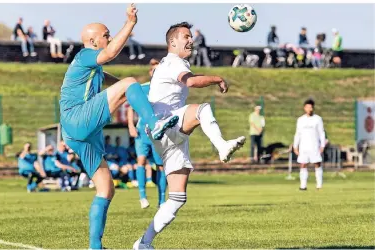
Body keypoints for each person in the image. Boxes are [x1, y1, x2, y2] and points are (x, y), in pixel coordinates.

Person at [59, 4, 178, 249]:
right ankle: (156, 126)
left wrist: (153, 88)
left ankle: (95, 247)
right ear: (92, 41)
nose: (109, 38)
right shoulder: (85, 55)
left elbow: (123, 88)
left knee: (106, 189)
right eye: (105, 34)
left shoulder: (93, 69)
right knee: (129, 83)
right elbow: (113, 54)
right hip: (77, 118)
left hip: (75, 132)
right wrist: (130, 23)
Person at [133, 21, 246, 250]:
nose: (190, 40)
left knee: (177, 198)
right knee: (202, 109)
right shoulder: (174, 62)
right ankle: (222, 146)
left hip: (168, 136)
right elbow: (192, 82)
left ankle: (143, 244)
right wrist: (218, 78)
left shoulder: (172, 63)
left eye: (191, 36)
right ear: (172, 42)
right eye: (186, 36)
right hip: (165, 123)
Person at [127, 58, 167, 209]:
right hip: (142, 132)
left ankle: (162, 200)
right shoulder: (142, 88)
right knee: (141, 161)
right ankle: (142, 197)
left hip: (158, 133)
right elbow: (131, 107)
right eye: (154, 70)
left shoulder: (165, 91)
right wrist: (131, 125)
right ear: (150, 73)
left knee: (160, 166)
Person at [293, 99, 326, 191]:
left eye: (311, 107)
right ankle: (303, 185)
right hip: (304, 146)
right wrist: (295, 146)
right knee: (303, 164)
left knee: (317, 164)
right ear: (304, 108)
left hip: (314, 145)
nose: (309, 109)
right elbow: (298, 133)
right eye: (308, 107)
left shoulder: (317, 119)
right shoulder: (301, 120)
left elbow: (321, 133)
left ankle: (319, 185)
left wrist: (322, 145)